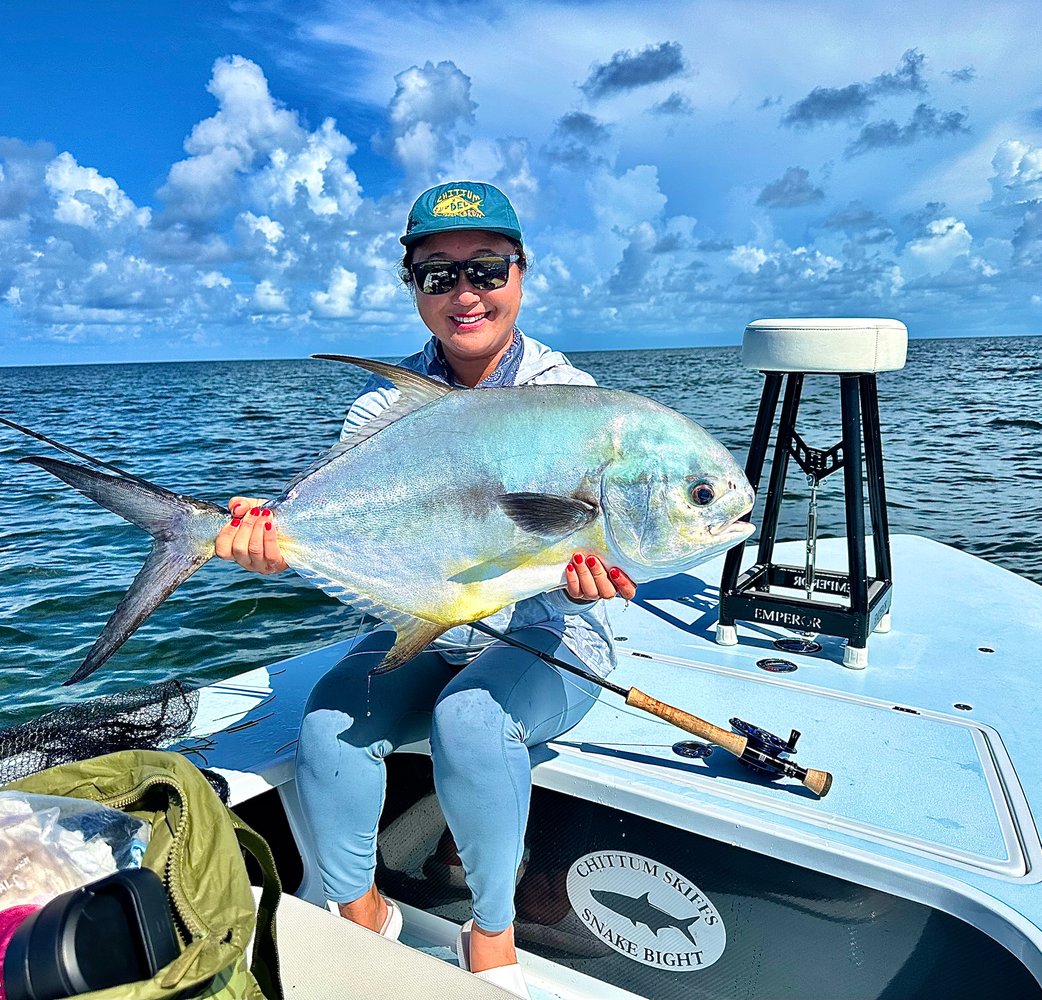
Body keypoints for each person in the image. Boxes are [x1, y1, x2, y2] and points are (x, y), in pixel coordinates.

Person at [215, 181, 636, 998]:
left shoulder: (572, 399)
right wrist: (279, 546)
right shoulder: (382, 405)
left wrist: (592, 581)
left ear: (521, 272)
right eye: (438, 276)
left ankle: (491, 936)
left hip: (548, 632)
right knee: (331, 720)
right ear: (412, 287)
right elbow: (361, 552)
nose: (465, 293)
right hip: (427, 624)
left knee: (471, 719)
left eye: (485, 268)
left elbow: (599, 548)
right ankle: (361, 919)